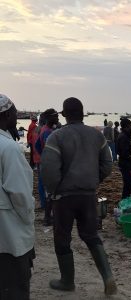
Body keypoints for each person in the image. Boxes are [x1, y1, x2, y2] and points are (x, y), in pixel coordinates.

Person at [40, 97, 117, 295]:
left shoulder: (56, 137)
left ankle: (67, 281)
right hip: (88, 195)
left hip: (64, 197)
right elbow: (108, 165)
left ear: (64, 115)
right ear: (83, 113)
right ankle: (108, 277)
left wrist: (53, 190)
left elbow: (48, 170)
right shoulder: (97, 136)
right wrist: (93, 180)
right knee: (91, 235)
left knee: (62, 238)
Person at [0, 94, 35, 300]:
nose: (16, 115)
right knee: (14, 288)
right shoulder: (10, 148)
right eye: (14, 112)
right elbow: (20, 195)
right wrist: (28, 219)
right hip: (9, 235)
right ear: (5, 115)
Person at [35, 108, 59, 226]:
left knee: (49, 192)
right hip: (49, 166)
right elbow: (48, 149)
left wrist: (42, 157)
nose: (58, 118)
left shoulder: (45, 129)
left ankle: (48, 217)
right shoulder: (48, 132)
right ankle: (48, 218)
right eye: (56, 116)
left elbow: (37, 146)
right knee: (51, 192)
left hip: (45, 163)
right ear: (49, 118)